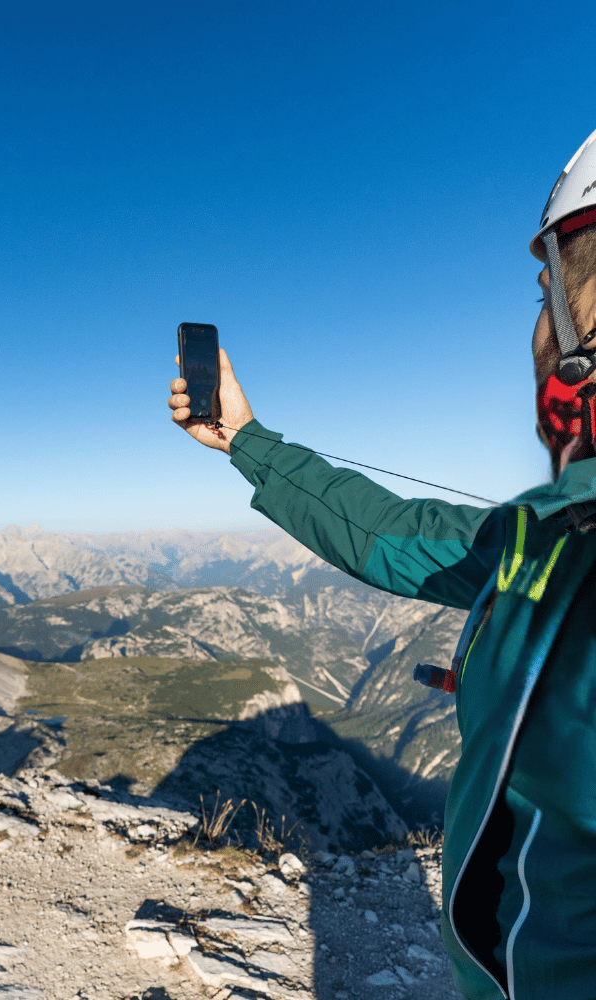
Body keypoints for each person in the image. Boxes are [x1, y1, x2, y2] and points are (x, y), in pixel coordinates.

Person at [168, 129, 596, 1000]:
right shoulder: (541, 540)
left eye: (549, 289)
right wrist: (249, 443)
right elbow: (396, 536)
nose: (535, 329)